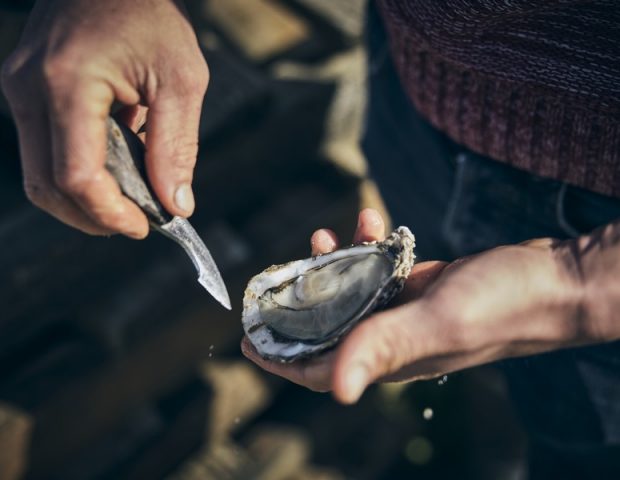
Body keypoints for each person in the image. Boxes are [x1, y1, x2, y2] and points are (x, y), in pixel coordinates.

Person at [2, 0, 619, 478]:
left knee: (580, 438)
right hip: (416, 99)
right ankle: (483, 434)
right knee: (488, 368)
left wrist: (578, 283)